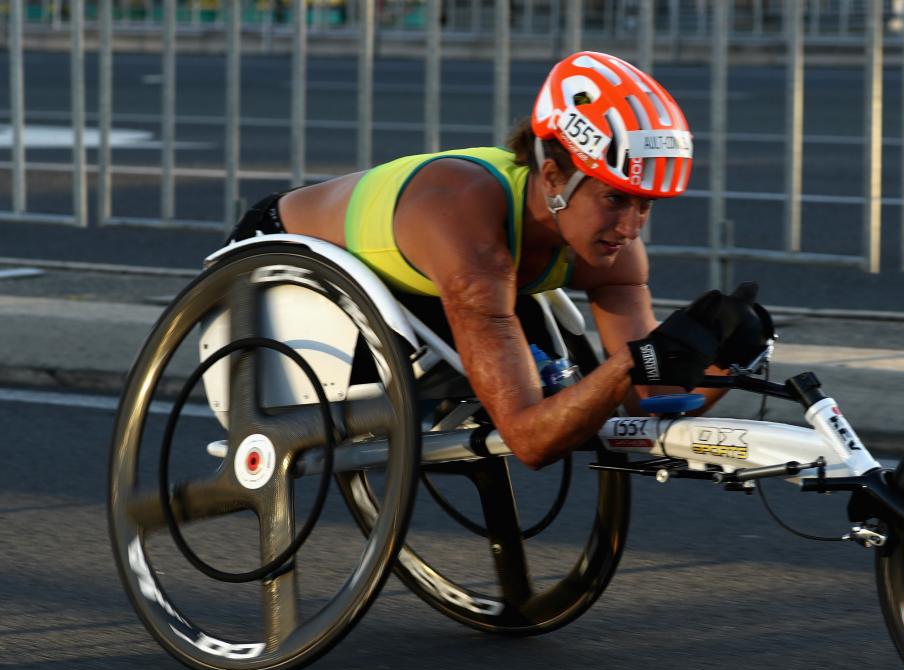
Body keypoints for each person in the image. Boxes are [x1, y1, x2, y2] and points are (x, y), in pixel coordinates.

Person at [226, 51, 771, 469]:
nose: (630, 229)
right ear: (554, 176)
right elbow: (530, 439)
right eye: (613, 199)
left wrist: (724, 359)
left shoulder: (614, 252)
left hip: (415, 285)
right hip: (274, 259)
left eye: (644, 206)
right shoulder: (471, 234)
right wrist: (630, 361)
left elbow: (648, 402)